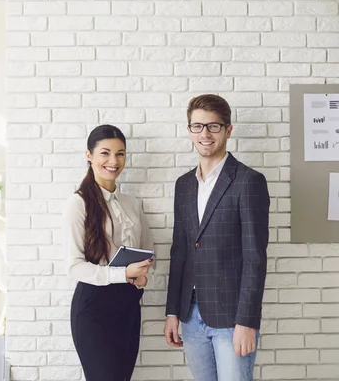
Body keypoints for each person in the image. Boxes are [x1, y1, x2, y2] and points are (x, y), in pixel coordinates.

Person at [164, 94, 270, 381]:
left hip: (232, 319)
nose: (205, 134)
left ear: (228, 130)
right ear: (189, 131)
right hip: (190, 315)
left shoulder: (249, 182)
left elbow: (255, 258)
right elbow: (180, 251)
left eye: (213, 126)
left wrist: (247, 321)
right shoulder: (183, 185)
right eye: (197, 127)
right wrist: (172, 311)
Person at [63, 124, 155, 381]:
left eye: (120, 154)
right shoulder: (78, 203)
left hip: (128, 306)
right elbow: (74, 267)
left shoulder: (132, 204)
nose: (113, 161)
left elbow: (149, 252)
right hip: (94, 308)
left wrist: (145, 276)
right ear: (89, 155)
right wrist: (122, 272)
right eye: (105, 153)